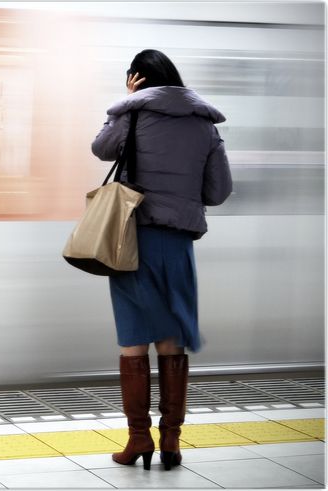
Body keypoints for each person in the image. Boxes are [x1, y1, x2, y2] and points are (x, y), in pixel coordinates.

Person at [91, 49, 232, 471]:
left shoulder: (132, 115)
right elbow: (218, 191)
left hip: (132, 239)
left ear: (137, 79)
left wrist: (124, 106)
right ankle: (171, 442)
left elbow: (101, 149)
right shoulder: (205, 124)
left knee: (135, 338)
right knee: (171, 337)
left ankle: (138, 441)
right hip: (179, 244)